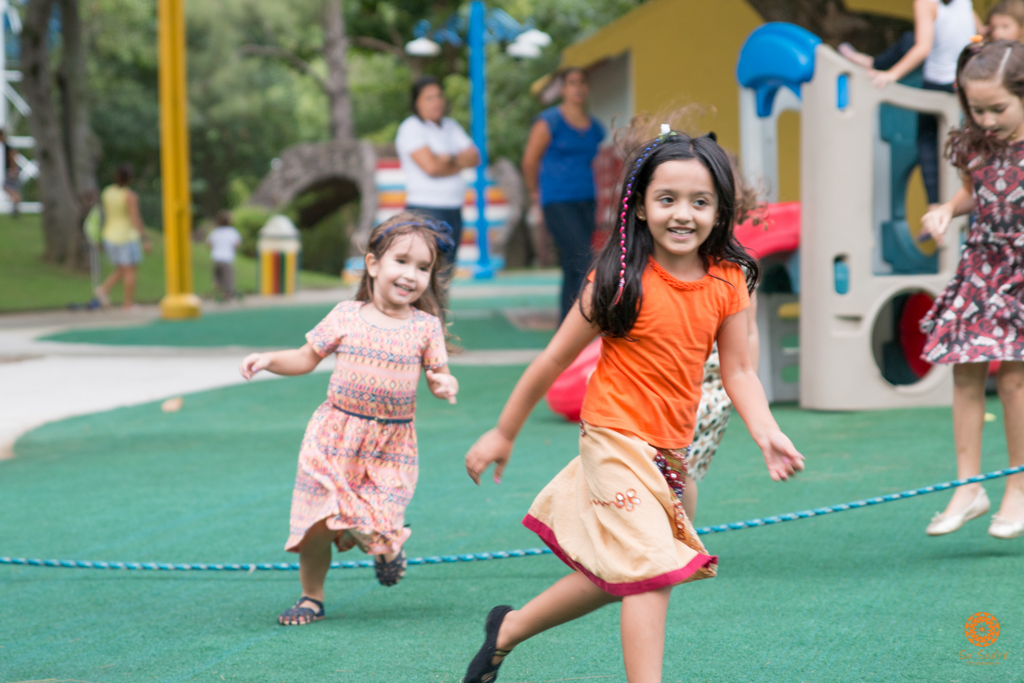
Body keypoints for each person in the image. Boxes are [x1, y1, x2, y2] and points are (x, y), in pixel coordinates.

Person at [460, 127, 805, 682]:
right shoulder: (619, 280)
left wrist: (766, 431)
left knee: (631, 571)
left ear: (721, 211)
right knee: (648, 567)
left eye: (700, 201)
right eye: (666, 199)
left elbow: (739, 370)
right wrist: (503, 432)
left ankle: (508, 630)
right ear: (640, 207)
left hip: (670, 452)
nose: (683, 214)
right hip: (614, 440)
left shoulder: (728, 281)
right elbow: (551, 361)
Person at [239, 213, 460, 625]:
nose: (411, 274)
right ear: (374, 264)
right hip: (334, 435)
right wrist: (270, 359)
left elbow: (437, 372)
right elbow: (305, 358)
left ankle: (388, 546)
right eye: (402, 261)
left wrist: (445, 384)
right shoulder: (345, 315)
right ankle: (312, 598)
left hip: (390, 446)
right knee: (317, 522)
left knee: (375, 520)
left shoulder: (426, 328)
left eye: (423, 267)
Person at [918, 40, 1024, 540]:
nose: (985, 119)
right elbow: (972, 189)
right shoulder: (976, 144)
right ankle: (968, 485)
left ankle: (1018, 487)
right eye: (975, 109)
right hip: (982, 268)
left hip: (1021, 273)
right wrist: (944, 209)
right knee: (965, 373)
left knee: (1014, 381)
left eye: (997, 108)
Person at [838, 0, 981, 206]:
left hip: (938, 84)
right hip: (961, 82)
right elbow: (978, 33)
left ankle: (935, 203)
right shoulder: (964, 3)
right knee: (957, 143)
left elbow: (923, 47)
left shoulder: (925, 2)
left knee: (927, 140)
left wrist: (892, 74)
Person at [522, 67, 606, 321]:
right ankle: (584, 323)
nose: (578, 88)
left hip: (587, 200)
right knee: (583, 259)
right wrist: (535, 192)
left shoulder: (595, 127)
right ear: (563, 89)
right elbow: (529, 161)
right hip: (557, 201)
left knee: (572, 265)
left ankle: (565, 325)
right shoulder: (549, 121)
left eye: (582, 82)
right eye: (572, 83)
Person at [396, 76, 480, 265]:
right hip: (425, 209)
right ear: (416, 102)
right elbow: (431, 167)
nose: (436, 102)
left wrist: (446, 158)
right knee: (426, 267)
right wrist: (456, 159)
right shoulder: (411, 127)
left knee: (446, 270)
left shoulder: (451, 126)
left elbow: (475, 157)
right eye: (429, 97)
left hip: (453, 207)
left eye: (439, 96)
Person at [94, 163, 150, 309]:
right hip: (126, 236)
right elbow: (135, 218)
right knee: (130, 271)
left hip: (109, 235)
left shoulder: (107, 192)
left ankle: (103, 289)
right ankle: (128, 304)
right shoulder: (129, 196)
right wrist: (144, 238)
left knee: (121, 269)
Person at [206, 210, 242, 301]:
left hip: (216, 258)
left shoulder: (215, 232)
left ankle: (217, 286)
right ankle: (227, 293)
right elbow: (237, 244)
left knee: (218, 275)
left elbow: (209, 243)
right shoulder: (231, 231)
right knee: (228, 277)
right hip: (227, 258)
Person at [0, 129, 21, 215]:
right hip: (11, 169)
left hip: (11, 169)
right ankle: (15, 204)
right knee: (9, 188)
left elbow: (13, 155)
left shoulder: (6, 146)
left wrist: (13, 169)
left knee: (9, 187)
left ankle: (16, 203)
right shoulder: (5, 145)